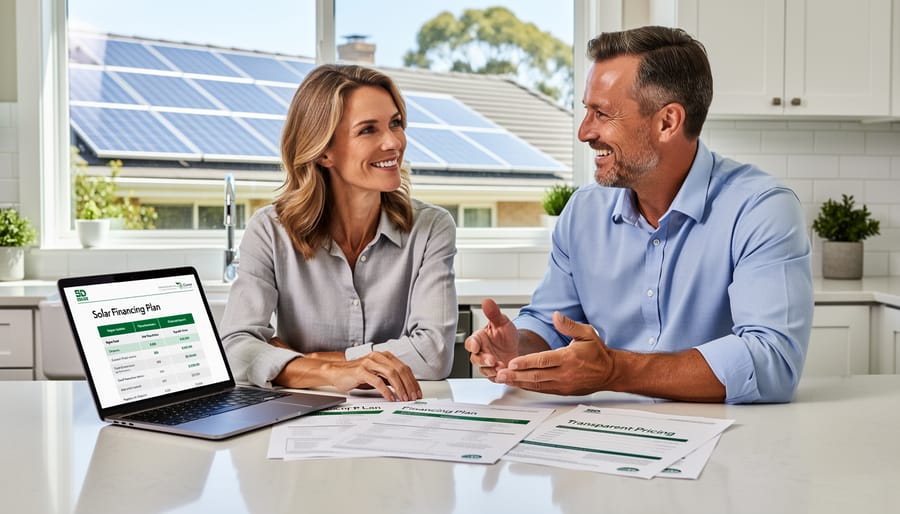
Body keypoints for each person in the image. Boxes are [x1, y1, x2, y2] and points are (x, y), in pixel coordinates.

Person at [466, 26, 813, 404]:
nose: (584, 132)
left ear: (667, 122)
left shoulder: (760, 209)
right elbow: (551, 323)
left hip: (727, 443)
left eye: (601, 113)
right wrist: (517, 347)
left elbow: (773, 362)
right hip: (601, 437)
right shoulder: (583, 211)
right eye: (586, 110)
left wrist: (615, 370)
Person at [220, 64, 458, 402]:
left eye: (395, 124)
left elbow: (432, 355)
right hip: (301, 418)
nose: (393, 142)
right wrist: (333, 373)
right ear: (324, 151)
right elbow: (236, 348)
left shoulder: (431, 228)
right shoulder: (269, 230)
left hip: (395, 418)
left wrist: (306, 362)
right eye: (368, 130)